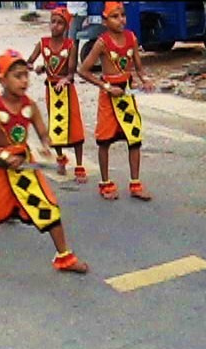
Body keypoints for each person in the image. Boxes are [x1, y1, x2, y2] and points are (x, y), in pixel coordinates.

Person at [0, 49, 88, 275]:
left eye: (25, 75)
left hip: (25, 168)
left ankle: (64, 257)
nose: (23, 81)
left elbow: (41, 129)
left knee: (49, 208)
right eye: (17, 76)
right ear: (1, 78)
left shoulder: (29, 105)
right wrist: (2, 155)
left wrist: (46, 145)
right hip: (0, 171)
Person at [77, 1, 154, 201]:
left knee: (134, 138)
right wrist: (106, 87)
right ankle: (105, 183)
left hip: (126, 95)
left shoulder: (131, 38)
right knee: (104, 140)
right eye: (115, 16)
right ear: (104, 20)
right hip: (108, 97)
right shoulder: (102, 42)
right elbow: (83, 70)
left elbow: (138, 67)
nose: (121, 20)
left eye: (122, 15)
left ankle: (135, 184)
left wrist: (144, 80)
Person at [26, 7, 86, 181]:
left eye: (60, 23)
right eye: (53, 21)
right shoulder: (43, 44)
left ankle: (79, 165)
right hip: (51, 91)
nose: (55, 26)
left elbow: (70, 72)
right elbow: (29, 61)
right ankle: (60, 159)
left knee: (74, 127)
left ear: (66, 26)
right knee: (55, 126)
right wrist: (38, 68)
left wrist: (65, 79)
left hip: (66, 91)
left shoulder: (70, 46)